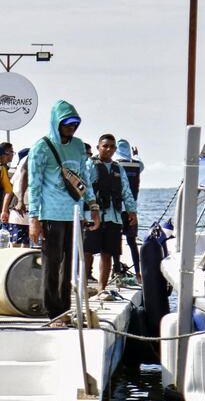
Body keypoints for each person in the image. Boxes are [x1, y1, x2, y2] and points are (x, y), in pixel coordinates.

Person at [27, 101, 101, 325]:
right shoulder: (42, 147)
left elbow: (84, 179)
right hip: (51, 214)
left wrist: (93, 207)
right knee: (52, 263)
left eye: (76, 123)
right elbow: (35, 184)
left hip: (75, 213)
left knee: (70, 264)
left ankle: (65, 308)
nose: (72, 127)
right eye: (67, 123)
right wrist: (34, 218)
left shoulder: (78, 145)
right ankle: (53, 312)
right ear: (57, 123)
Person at [84, 134, 138, 293]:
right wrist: (88, 211)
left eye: (112, 147)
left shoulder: (118, 168)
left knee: (108, 252)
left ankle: (102, 288)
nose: (108, 149)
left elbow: (126, 190)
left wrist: (131, 210)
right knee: (87, 251)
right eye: (105, 146)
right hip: (93, 217)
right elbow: (85, 188)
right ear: (98, 147)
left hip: (113, 216)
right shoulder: (89, 165)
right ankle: (82, 285)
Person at [114, 138, 145, 273]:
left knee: (116, 241)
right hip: (132, 209)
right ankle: (138, 272)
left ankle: (116, 269)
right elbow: (140, 162)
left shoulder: (115, 164)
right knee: (132, 242)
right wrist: (136, 154)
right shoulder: (137, 164)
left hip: (118, 209)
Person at [0, 144, 31, 247]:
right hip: (22, 212)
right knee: (22, 245)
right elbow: (10, 192)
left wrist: (4, 210)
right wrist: (4, 210)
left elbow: (9, 192)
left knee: (16, 244)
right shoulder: (22, 171)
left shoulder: (16, 172)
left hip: (19, 212)